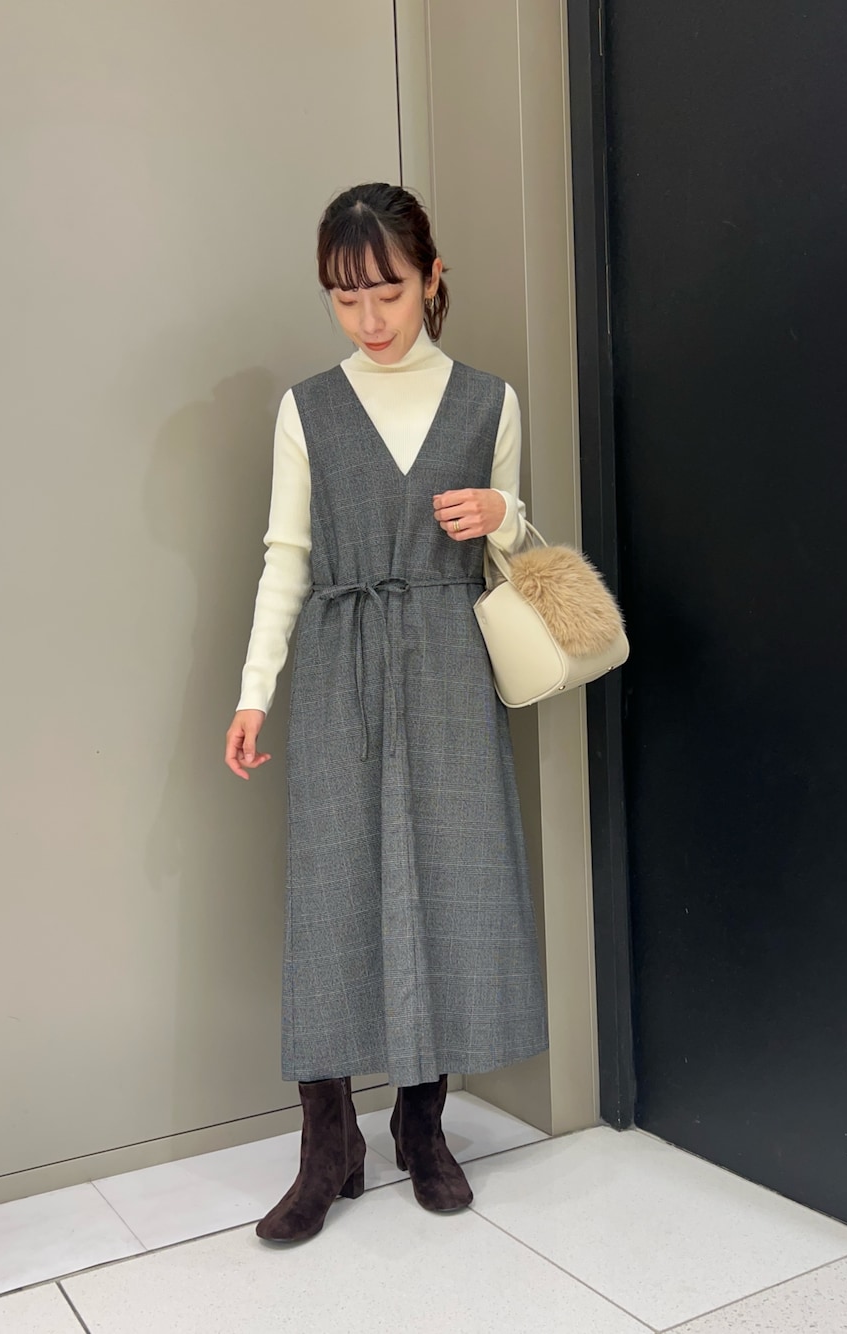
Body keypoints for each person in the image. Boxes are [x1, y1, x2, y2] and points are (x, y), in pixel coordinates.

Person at [225, 182, 548, 1244]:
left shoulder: (490, 402)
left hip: (449, 665)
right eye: (344, 296)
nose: (369, 319)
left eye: (389, 291)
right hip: (341, 662)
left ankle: (422, 1123)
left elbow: (513, 564)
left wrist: (504, 513)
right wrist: (255, 689)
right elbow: (286, 556)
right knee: (332, 890)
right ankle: (328, 1144)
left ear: (432, 276)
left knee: (446, 882)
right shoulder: (308, 408)